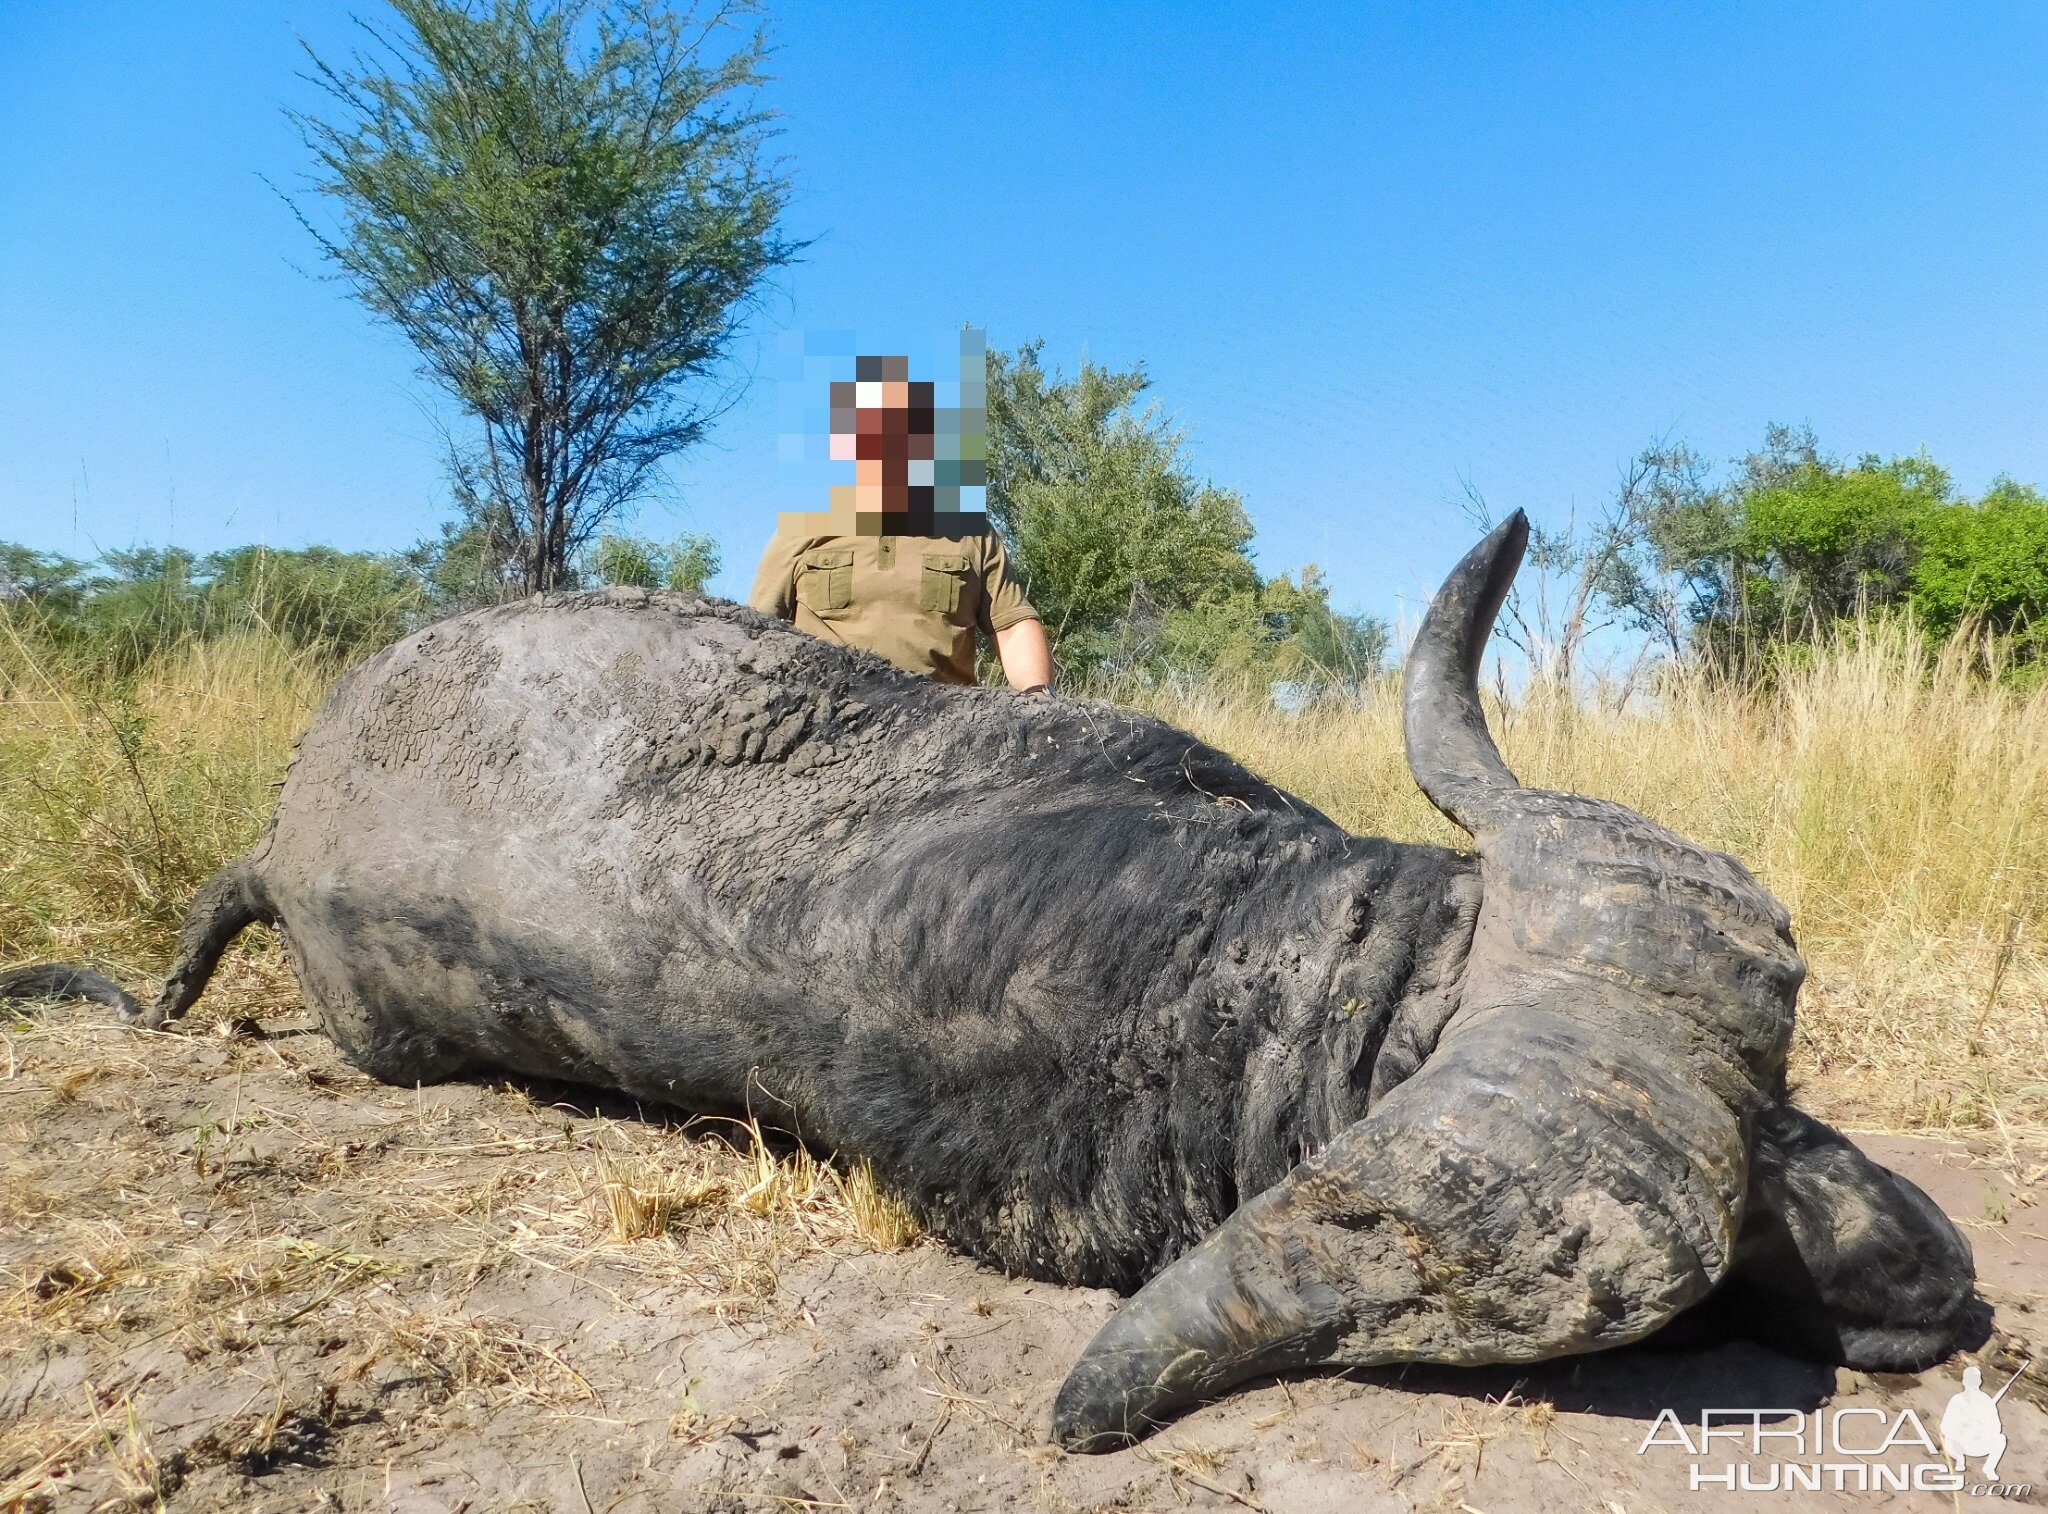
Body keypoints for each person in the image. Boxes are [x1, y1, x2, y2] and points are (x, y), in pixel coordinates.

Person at [748, 354, 1054, 691]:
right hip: (827, 717)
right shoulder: (803, 525)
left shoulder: (971, 531)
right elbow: (758, 631)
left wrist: (1039, 695)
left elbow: (1011, 627)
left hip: (944, 723)